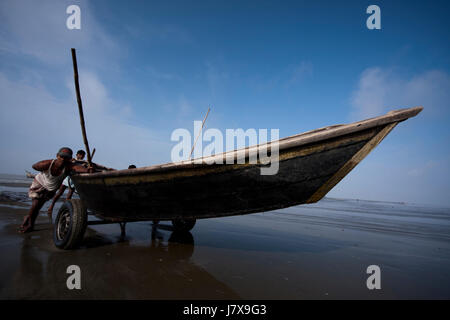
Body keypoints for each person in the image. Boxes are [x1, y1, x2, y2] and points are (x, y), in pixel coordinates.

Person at [19, 147, 93, 233]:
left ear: (69, 159)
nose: (63, 159)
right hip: (40, 184)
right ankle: (29, 222)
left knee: (38, 206)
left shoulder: (69, 166)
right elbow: (35, 166)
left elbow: (81, 169)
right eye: (61, 157)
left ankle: (29, 219)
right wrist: (43, 166)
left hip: (51, 189)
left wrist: (88, 170)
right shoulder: (49, 163)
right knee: (36, 203)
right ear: (57, 156)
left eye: (66, 158)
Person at [46, 149, 86, 217]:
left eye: (83, 156)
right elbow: (67, 164)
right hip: (67, 179)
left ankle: (66, 209)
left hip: (74, 180)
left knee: (69, 196)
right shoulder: (72, 160)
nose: (81, 157)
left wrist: (85, 165)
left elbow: (84, 168)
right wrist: (73, 161)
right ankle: (51, 206)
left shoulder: (83, 162)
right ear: (77, 155)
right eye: (80, 155)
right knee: (59, 193)